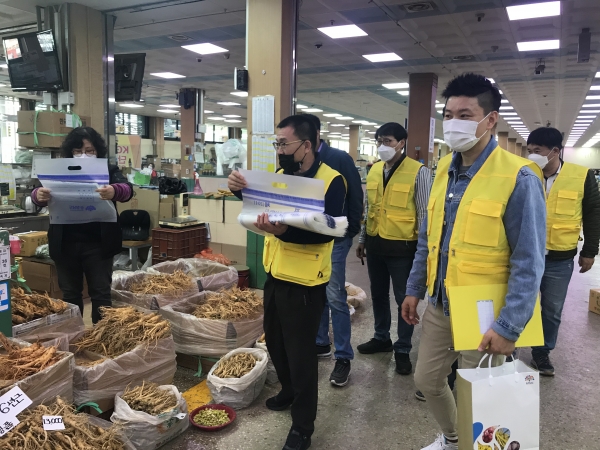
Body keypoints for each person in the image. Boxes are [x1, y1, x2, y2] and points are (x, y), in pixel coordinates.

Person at [401, 73, 546, 450]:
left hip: (484, 311)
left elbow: (529, 261)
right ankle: (454, 438)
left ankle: (469, 443)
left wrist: (509, 325)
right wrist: (414, 288)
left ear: (490, 120)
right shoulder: (441, 171)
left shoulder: (518, 177)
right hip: (441, 303)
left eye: (465, 115)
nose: (454, 124)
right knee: (427, 380)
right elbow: (427, 238)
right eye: (448, 115)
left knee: (477, 396)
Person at [228, 115, 346, 450]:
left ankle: (302, 426)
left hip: (306, 282)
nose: (279, 150)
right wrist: (239, 191)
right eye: (276, 143)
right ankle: (289, 390)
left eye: (284, 143)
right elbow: (261, 208)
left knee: (301, 355)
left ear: (306, 145)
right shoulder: (280, 176)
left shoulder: (331, 181)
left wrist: (284, 232)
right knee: (276, 342)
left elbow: (329, 233)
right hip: (276, 274)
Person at [32, 127, 133, 323]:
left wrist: (114, 191)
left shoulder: (108, 170)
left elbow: (127, 190)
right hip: (65, 243)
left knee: (101, 293)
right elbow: (38, 193)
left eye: (89, 150)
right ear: (70, 152)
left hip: (99, 244)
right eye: (78, 151)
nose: (83, 155)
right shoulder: (58, 170)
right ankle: (74, 335)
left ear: (98, 151)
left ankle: (102, 336)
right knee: (70, 295)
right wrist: (38, 195)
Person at [356, 122, 431, 375]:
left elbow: (424, 215)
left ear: (401, 143)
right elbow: (369, 207)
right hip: (376, 244)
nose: (382, 145)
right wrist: (362, 239)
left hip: (404, 249)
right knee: (378, 295)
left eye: (387, 141)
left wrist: (423, 252)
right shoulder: (375, 170)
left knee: (404, 300)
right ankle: (381, 338)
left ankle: (403, 348)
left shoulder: (419, 172)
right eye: (379, 141)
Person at [526, 127, 600, 376]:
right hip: (524, 255)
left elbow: (593, 214)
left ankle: (542, 352)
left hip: (560, 258)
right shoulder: (524, 172)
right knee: (519, 303)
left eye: (537, 150)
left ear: (555, 151)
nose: (532, 155)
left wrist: (589, 250)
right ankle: (509, 349)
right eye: (529, 150)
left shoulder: (581, 176)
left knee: (552, 309)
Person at [302, 113, 363, 387]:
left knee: (335, 295)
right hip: (310, 239)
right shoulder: (300, 162)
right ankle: (320, 342)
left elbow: (356, 195)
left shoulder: (339, 159)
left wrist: (350, 230)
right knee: (316, 291)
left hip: (336, 239)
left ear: (315, 135)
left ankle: (343, 357)